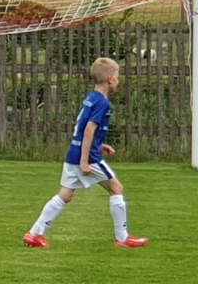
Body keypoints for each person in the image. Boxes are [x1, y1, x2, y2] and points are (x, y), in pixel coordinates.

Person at [23, 57, 147, 249]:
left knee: (65, 195)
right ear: (110, 79)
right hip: (87, 157)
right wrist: (85, 160)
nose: (119, 80)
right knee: (116, 188)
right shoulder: (103, 103)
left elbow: (82, 128)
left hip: (74, 151)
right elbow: (89, 129)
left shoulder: (91, 98)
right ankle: (123, 238)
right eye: (117, 76)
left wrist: (100, 144)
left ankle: (34, 234)